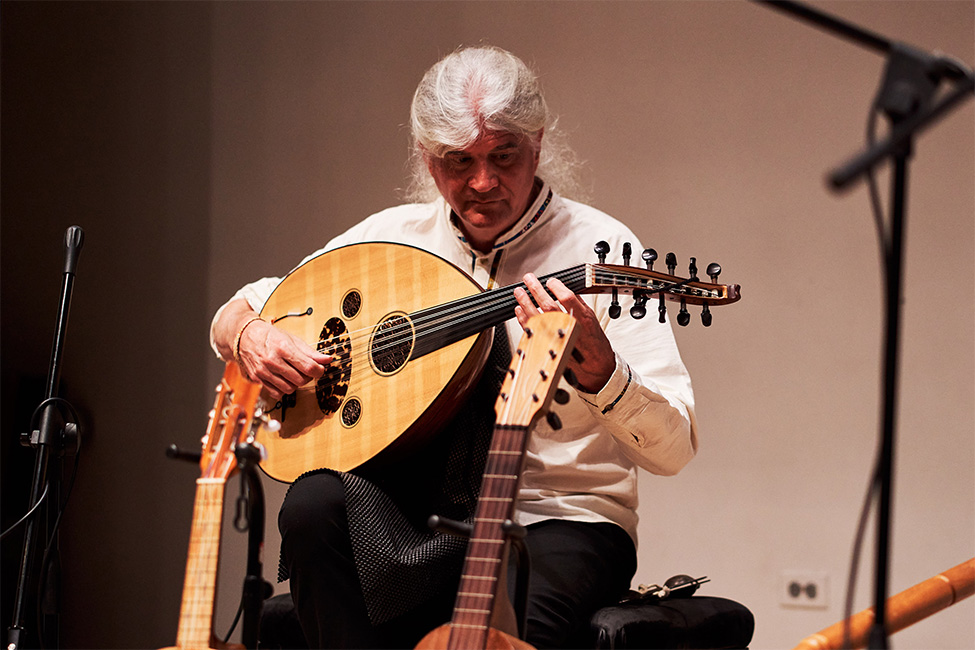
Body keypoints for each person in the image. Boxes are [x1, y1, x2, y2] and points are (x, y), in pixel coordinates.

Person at [210, 45, 697, 649]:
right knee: (313, 504)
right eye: (458, 161)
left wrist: (606, 376)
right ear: (426, 158)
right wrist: (246, 333)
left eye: (503, 156)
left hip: (552, 517)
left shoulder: (602, 251)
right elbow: (251, 302)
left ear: (538, 143)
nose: (482, 182)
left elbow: (675, 449)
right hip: (417, 513)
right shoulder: (395, 240)